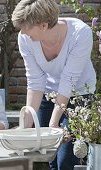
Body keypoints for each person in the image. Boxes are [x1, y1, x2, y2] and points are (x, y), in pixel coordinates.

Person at [12, 0, 96, 169]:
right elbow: (35, 80)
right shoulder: (25, 38)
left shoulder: (81, 34)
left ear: (43, 25)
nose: (22, 32)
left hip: (79, 96)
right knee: (50, 156)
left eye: (26, 28)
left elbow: (68, 80)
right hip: (48, 94)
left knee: (66, 161)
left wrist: (53, 125)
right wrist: (26, 125)